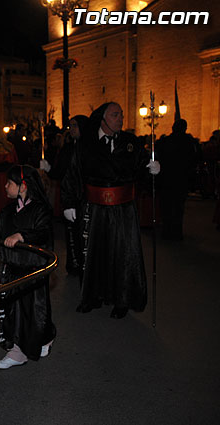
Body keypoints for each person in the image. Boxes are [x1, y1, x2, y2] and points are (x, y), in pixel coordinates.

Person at [62, 102, 161, 319]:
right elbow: (73, 174)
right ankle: (93, 296)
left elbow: (142, 171)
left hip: (123, 210)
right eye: (116, 114)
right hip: (95, 209)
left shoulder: (130, 143)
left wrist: (152, 170)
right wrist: (69, 203)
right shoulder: (86, 144)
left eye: (122, 114)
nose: (121, 118)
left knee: (122, 254)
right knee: (94, 254)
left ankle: (122, 299)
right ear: (103, 118)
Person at [0, 165, 56, 369]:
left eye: (9, 183)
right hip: (13, 266)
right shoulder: (8, 210)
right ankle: (25, 346)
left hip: (33, 268)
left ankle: (33, 343)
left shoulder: (40, 209)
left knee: (34, 309)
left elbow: (43, 232)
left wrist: (22, 236)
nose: (5, 186)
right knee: (15, 309)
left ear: (23, 186)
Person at [55, 115, 89, 275]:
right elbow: (61, 172)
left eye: (75, 125)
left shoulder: (89, 148)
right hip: (70, 197)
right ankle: (74, 264)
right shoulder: (68, 148)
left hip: (84, 199)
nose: (72, 129)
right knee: (71, 234)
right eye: (70, 126)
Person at [156, 119, 197, 240]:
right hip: (180, 179)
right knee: (178, 207)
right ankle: (176, 232)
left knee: (167, 207)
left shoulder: (166, 141)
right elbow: (194, 159)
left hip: (168, 179)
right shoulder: (188, 142)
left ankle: (167, 231)